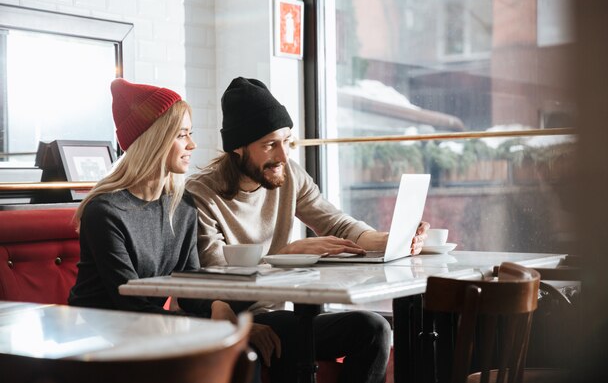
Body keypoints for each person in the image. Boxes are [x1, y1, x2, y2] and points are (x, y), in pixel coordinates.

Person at [186, 76, 430, 383]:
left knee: (373, 329)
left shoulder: (289, 175)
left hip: (282, 316)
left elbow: (338, 224)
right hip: (240, 315)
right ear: (238, 148)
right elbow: (215, 280)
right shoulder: (201, 195)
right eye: (270, 144)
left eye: (287, 141)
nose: (283, 156)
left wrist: (393, 240)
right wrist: (283, 257)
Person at [68, 78, 224, 318]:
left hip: (146, 327)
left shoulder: (182, 206)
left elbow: (189, 288)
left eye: (190, 134)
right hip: (98, 333)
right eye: (182, 135)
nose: (193, 144)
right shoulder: (105, 211)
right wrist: (217, 327)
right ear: (155, 141)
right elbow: (132, 304)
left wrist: (217, 307)